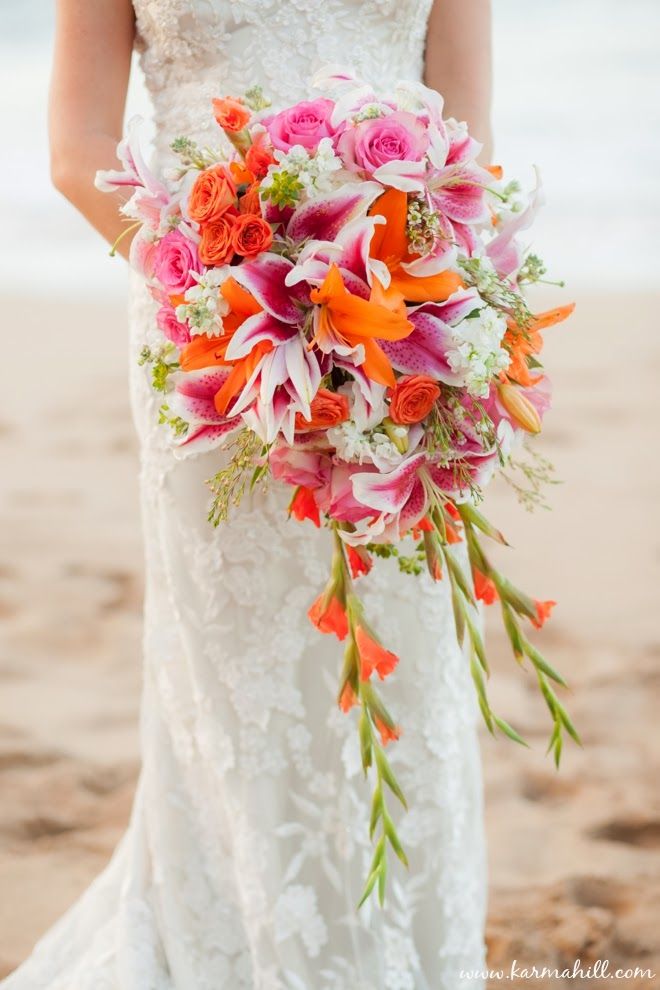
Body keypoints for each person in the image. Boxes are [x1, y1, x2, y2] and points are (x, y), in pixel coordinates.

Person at [4, 2, 493, 987]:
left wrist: (418, 300)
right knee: (241, 673)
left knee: (404, 658)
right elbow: (77, 148)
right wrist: (223, 295)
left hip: (405, 322)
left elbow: (469, 138)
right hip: (205, 329)